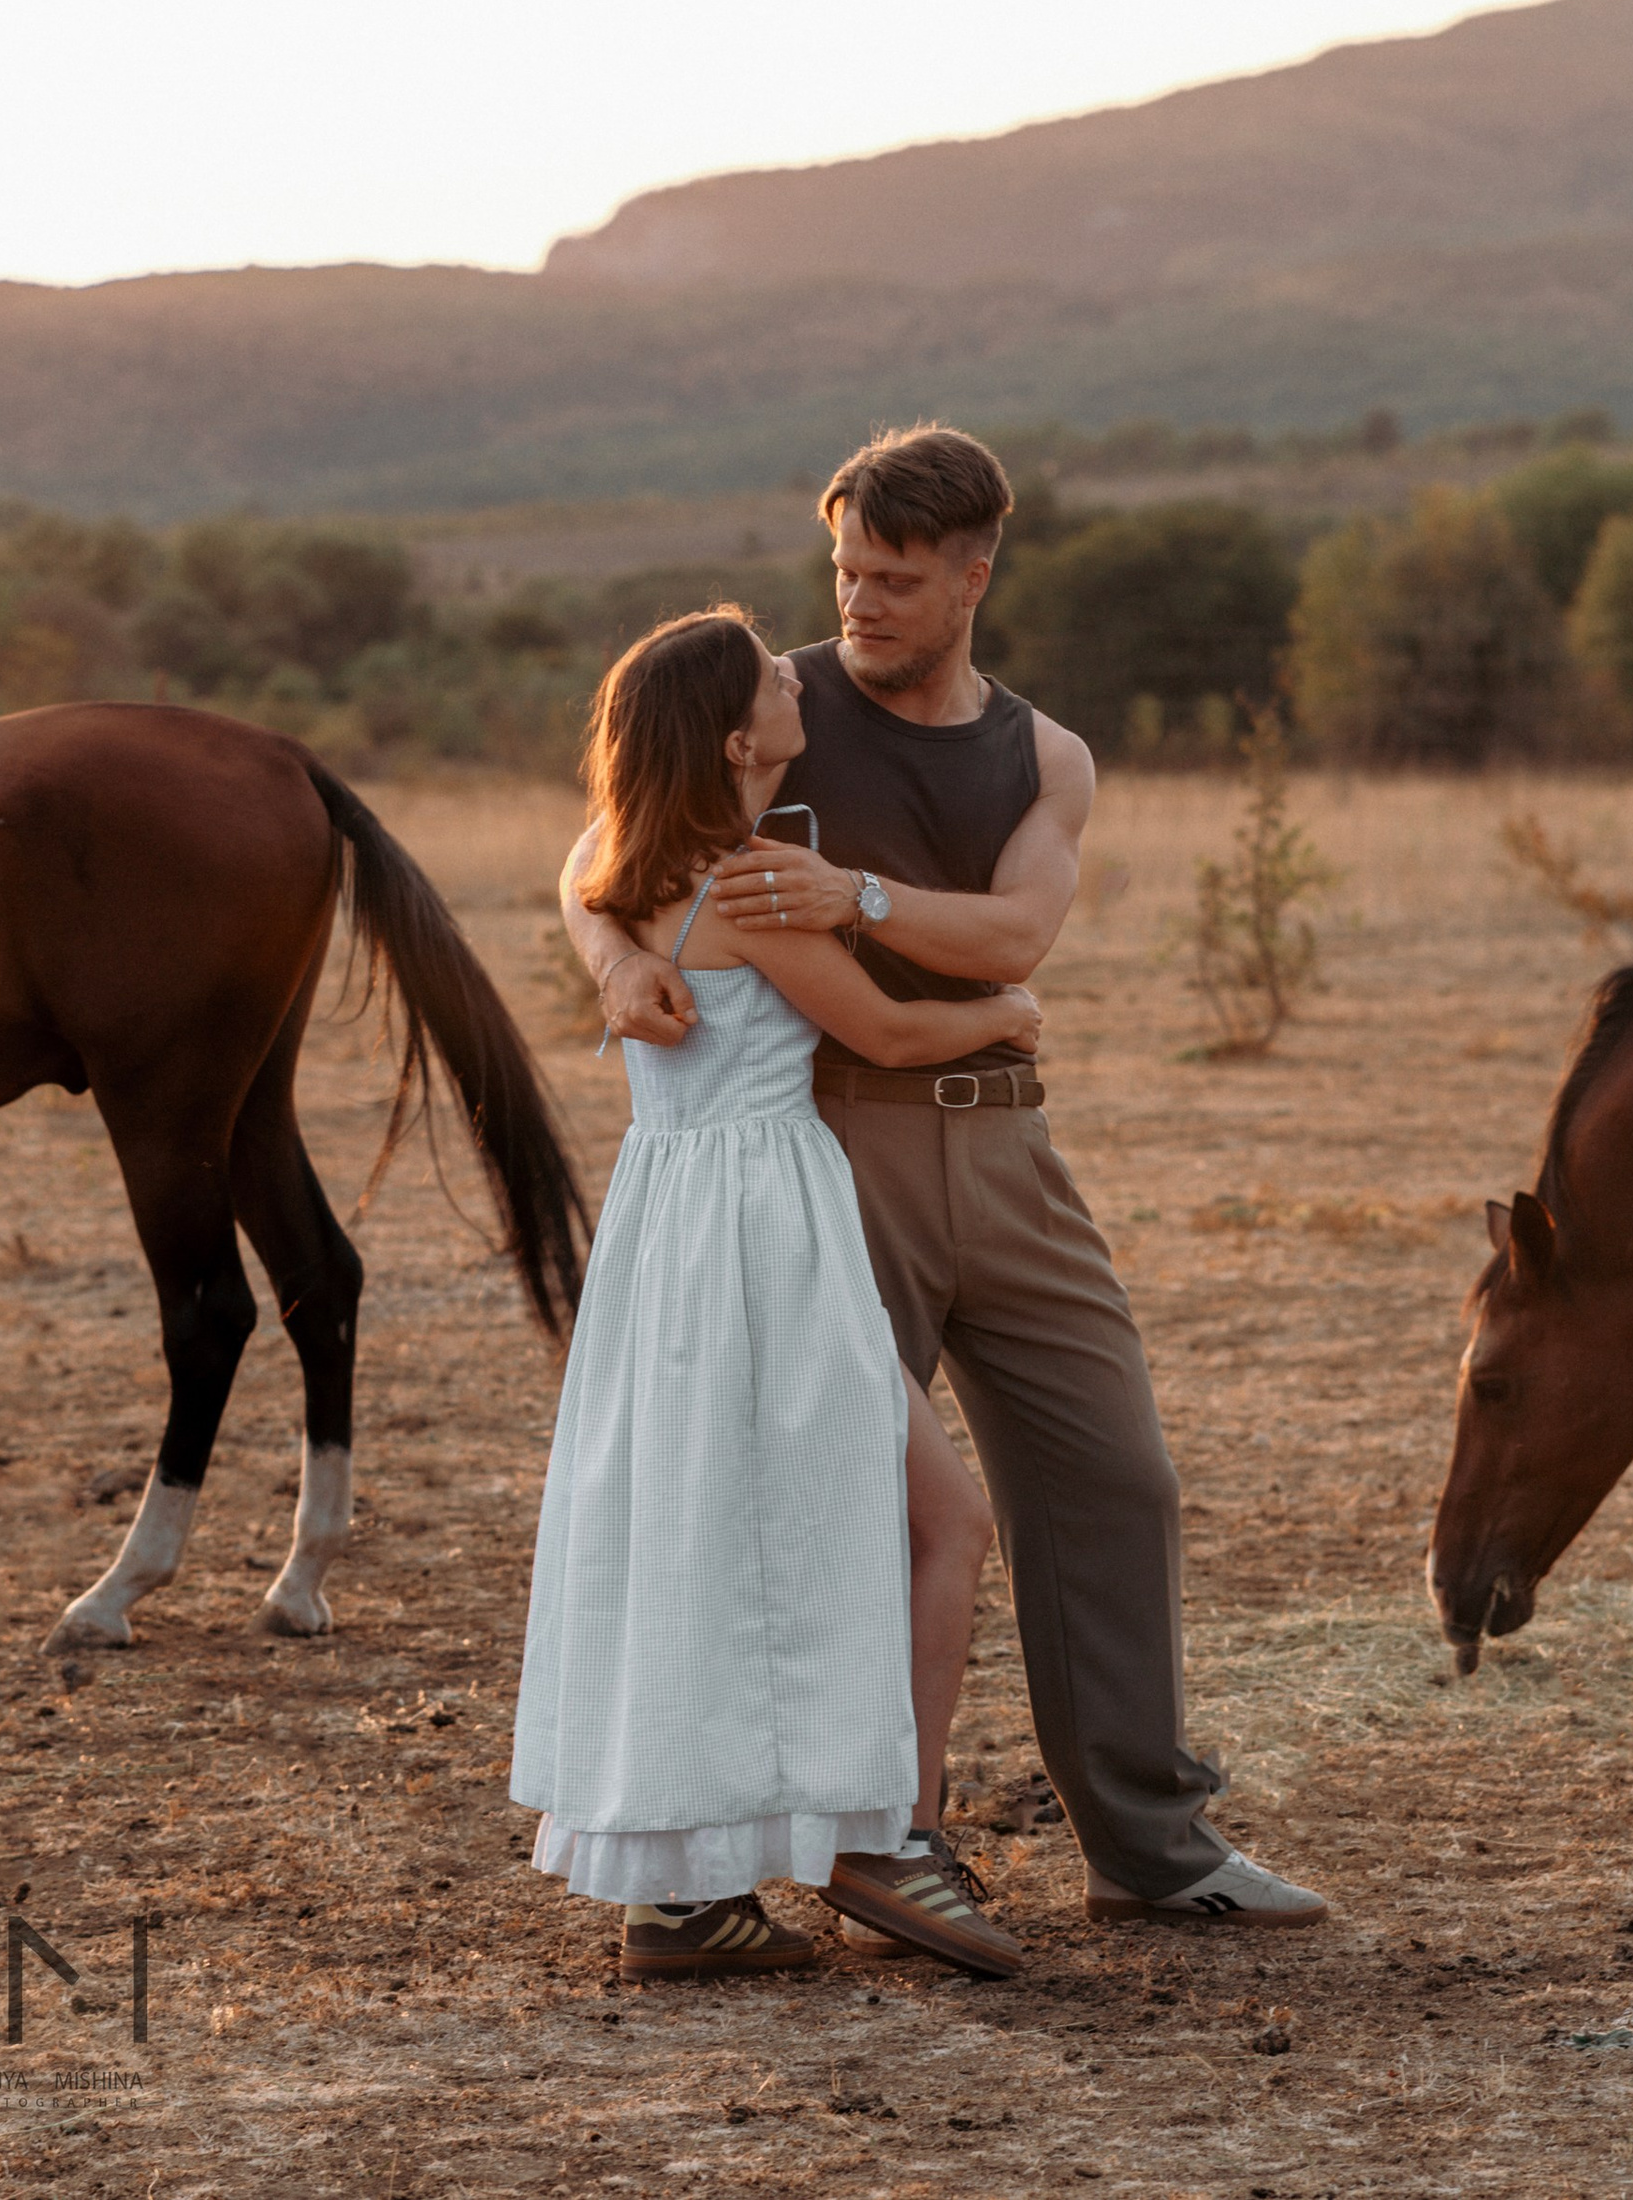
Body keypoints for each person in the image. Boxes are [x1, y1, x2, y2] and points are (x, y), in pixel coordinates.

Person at [560, 425, 1328, 1930]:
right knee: (831, 1507)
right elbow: (606, 845)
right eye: (847, 572)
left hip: (1009, 1145)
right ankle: (793, 1859)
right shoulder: (770, 706)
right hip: (836, 1147)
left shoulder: (1045, 757)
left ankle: (1153, 1854)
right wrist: (610, 962)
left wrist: (855, 894)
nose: (859, 604)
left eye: (896, 582)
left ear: (975, 577)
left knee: (1116, 1478)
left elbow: (1015, 938)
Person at [511, 607, 1035, 1984]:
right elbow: (889, 1031)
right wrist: (1006, 1014)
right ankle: (889, 1840)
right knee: (944, 1518)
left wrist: (616, 955)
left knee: (701, 1533)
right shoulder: (742, 887)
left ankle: (683, 1895)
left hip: (668, 1222)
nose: (795, 673)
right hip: (765, 1228)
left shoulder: (633, 869)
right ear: (739, 744)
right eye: (769, 679)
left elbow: (578, 869)